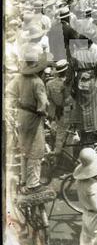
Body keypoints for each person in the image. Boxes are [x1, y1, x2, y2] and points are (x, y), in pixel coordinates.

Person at [6, 51, 50, 192]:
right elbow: (43, 105)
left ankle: (24, 180)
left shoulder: (18, 78)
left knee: (24, 149)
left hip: (21, 115)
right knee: (36, 150)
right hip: (33, 117)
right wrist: (45, 115)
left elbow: (9, 93)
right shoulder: (37, 82)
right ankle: (33, 183)